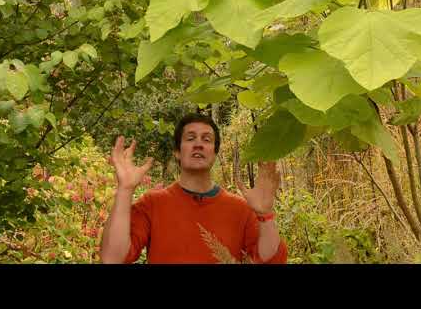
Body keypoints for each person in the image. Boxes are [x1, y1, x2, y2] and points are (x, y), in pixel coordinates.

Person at [100, 113, 287, 264]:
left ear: (214, 154)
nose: (198, 143)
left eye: (206, 139)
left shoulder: (241, 209)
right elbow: (112, 258)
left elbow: (270, 260)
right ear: (177, 152)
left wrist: (266, 215)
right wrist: (124, 190)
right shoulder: (152, 204)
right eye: (190, 138)